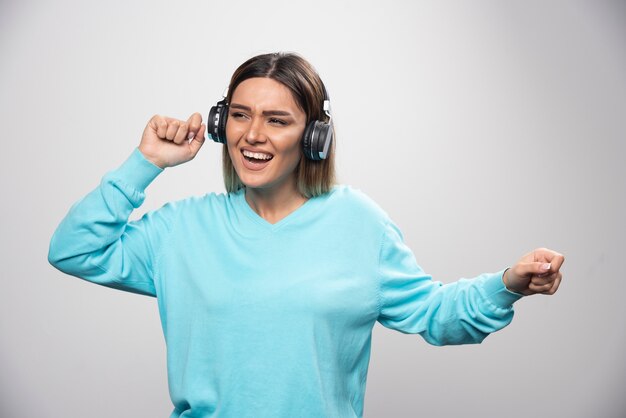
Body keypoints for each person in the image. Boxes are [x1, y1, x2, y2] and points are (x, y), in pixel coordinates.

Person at [48, 52, 565, 418]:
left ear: (314, 136)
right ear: (219, 123)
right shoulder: (181, 229)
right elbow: (74, 250)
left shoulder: (359, 224)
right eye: (241, 116)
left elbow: (434, 314)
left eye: (277, 120)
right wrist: (146, 163)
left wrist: (507, 284)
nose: (253, 135)